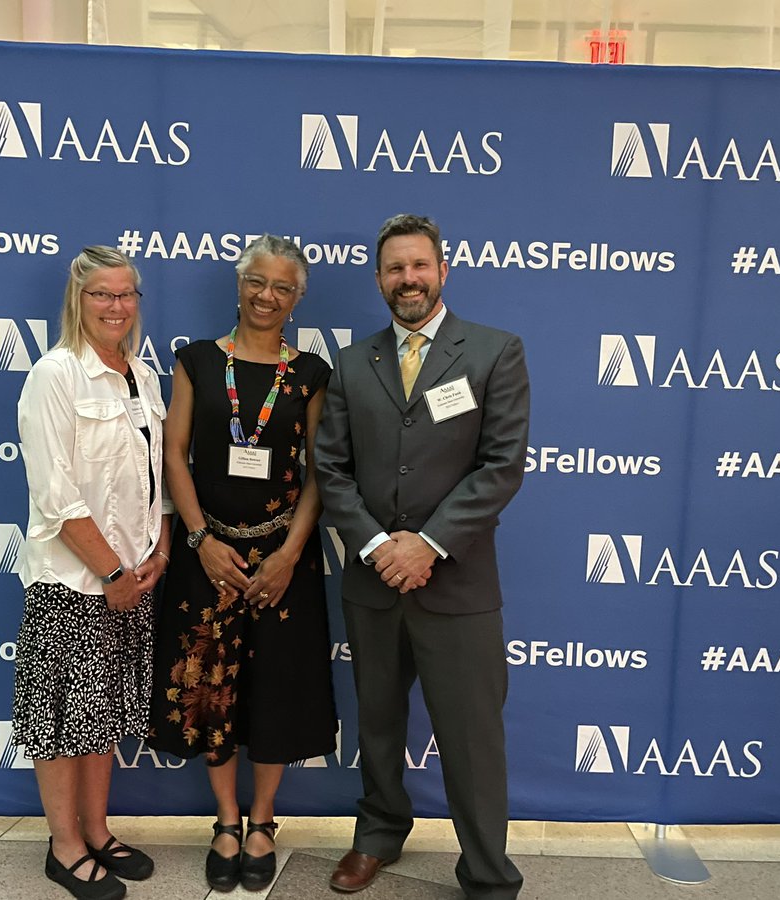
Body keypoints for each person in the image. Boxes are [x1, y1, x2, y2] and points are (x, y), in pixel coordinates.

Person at [314, 214, 529, 899]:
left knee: (471, 738)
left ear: (443, 270)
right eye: (394, 269)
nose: (408, 279)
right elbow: (333, 471)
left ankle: (487, 870)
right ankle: (377, 835)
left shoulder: (495, 352)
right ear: (379, 279)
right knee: (376, 722)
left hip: (456, 584)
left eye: (419, 266)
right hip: (374, 582)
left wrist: (427, 544)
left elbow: (500, 467)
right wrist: (380, 547)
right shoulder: (353, 363)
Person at [147, 234, 338, 892]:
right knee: (210, 689)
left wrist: (288, 554)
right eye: (258, 281)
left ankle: (262, 821)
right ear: (239, 283)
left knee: (279, 688)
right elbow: (174, 456)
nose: (268, 296)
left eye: (283, 287)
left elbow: (322, 472)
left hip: (285, 561)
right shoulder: (197, 361)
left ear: (298, 298)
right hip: (210, 554)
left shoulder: (310, 372)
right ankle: (226, 821)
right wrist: (200, 539)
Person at [12, 246, 174, 900]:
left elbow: (153, 477)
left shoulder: (143, 375)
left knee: (101, 717)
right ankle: (65, 845)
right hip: (76, 584)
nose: (116, 307)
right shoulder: (55, 375)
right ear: (78, 301)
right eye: (102, 295)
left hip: (131, 581)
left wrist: (157, 553)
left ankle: (99, 830)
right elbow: (56, 495)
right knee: (60, 721)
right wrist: (111, 572)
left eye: (127, 294)